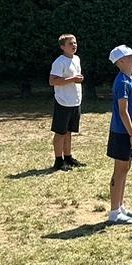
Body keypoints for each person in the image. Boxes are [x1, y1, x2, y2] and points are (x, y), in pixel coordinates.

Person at [106, 44, 132, 225]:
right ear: (121, 62)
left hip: (129, 133)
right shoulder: (122, 82)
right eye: (130, 56)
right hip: (121, 133)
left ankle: (120, 207)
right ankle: (114, 212)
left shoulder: (131, 79)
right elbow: (123, 112)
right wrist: (131, 135)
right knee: (120, 170)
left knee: (125, 168)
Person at [49, 33, 85, 170]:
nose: (74, 45)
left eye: (75, 42)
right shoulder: (59, 62)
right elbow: (52, 81)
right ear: (62, 47)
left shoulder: (76, 59)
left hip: (75, 101)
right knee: (60, 132)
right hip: (63, 101)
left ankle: (68, 157)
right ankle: (58, 161)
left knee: (69, 131)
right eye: (70, 43)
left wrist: (78, 79)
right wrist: (73, 79)